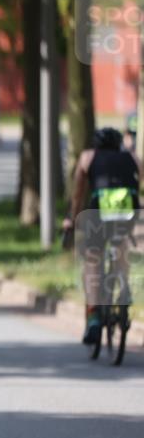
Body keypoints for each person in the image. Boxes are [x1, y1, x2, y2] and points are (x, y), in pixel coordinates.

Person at [65, 126, 140, 345]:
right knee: (122, 244)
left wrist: (72, 216)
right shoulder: (133, 158)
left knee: (92, 259)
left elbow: (78, 191)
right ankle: (123, 286)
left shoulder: (88, 157)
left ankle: (94, 318)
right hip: (128, 212)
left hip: (98, 213)